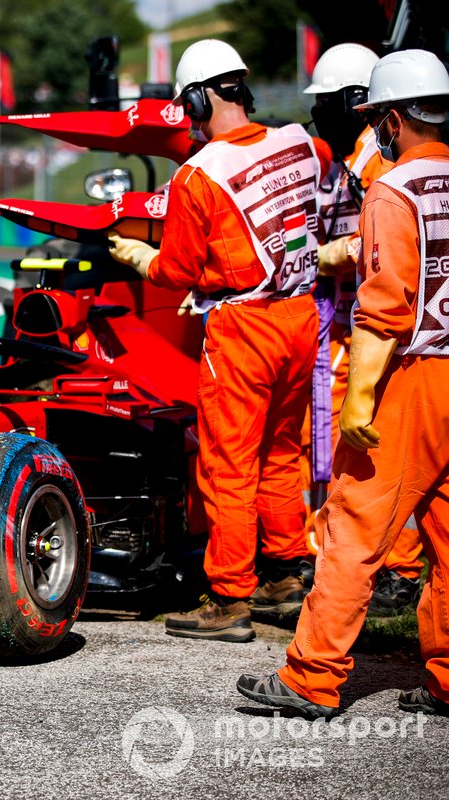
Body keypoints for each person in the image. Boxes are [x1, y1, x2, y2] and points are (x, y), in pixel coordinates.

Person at [237, 48, 449, 720]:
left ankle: (311, 678)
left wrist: (360, 397)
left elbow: (384, 306)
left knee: (352, 531)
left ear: (390, 119)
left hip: (411, 377)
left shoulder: (394, 189)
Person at [108, 39, 322, 642]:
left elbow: (176, 270)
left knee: (228, 465)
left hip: (244, 326)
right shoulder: (300, 144)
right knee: (283, 452)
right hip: (300, 316)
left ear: (198, 97)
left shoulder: (197, 176)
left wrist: (142, 257)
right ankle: (287, 577)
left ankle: (230, 597)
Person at [305, 43, 422, 617]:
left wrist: (343, 252)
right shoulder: (355, 158)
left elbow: (393, 241)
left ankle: (393, 572)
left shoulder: (380, 161)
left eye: (326, 103)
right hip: (387, 326)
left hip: (385, 330)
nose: (316, 114)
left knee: (369, 464)